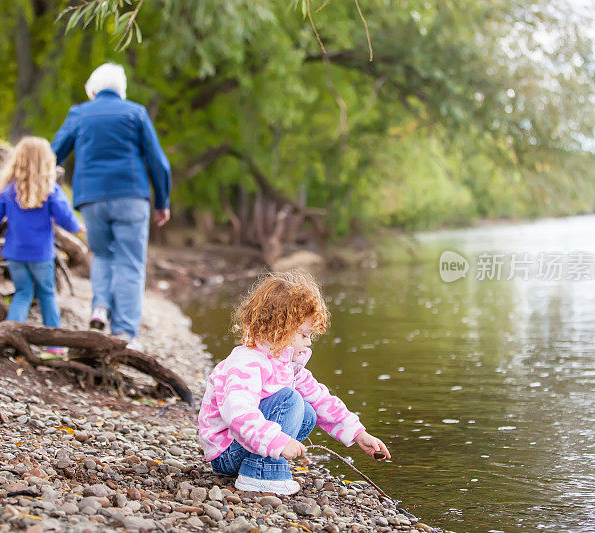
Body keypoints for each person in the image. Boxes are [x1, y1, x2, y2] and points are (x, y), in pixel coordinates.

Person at [198, 270, 391, 495]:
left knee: (308, 412)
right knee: (290, 400)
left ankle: (259, 464)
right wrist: (277, 442)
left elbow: (321, 399)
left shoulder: (287, 365)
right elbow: (238, 415)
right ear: (277, 329)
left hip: (249, 445)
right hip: (227, 452)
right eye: (303, 335)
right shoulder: (246, 363)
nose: (309, 343)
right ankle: (259, 473)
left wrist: (359, 434)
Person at [50, 63, 171, 345]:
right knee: (129, 262)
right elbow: (159, 163)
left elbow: (54, 152)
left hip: (91, 199)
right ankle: (124, 332)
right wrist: (162, 202)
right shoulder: (135, 112)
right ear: (122, 90)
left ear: (92, 91)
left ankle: (100, 307)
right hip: (131, 198)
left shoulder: (80, 113)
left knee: (102, 255)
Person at [0, 136, 81, 356]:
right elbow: (68, 221)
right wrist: (78, 226)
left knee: (23, 293)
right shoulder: (50, 191)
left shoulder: (8, 191)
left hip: (15, 254)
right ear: (46, 162)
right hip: (41, 256)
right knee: (46, 294)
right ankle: (53, 346)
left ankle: (9, 338)